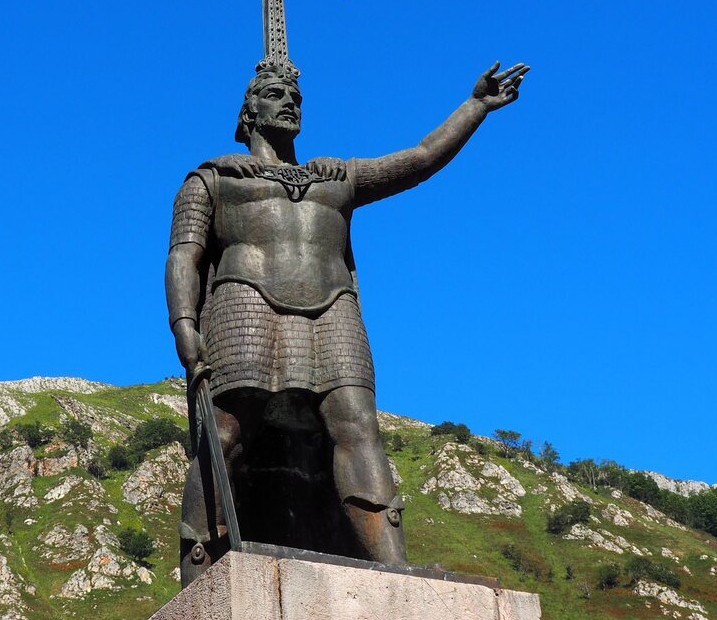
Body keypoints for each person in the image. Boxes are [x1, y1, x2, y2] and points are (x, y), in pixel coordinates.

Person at [166, 60, 528, 585]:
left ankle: (392, 564)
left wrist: (474, 107)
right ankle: (200, 559)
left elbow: (420, 160)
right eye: (273, 94)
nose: (289, 102)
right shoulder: (213, 179)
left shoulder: (336, 179)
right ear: (248, 111)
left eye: (295, 96)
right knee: (226, 433)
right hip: (244, 304)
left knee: (358, 425)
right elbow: (184, 255)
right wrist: (183, 325)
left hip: (332, 307)